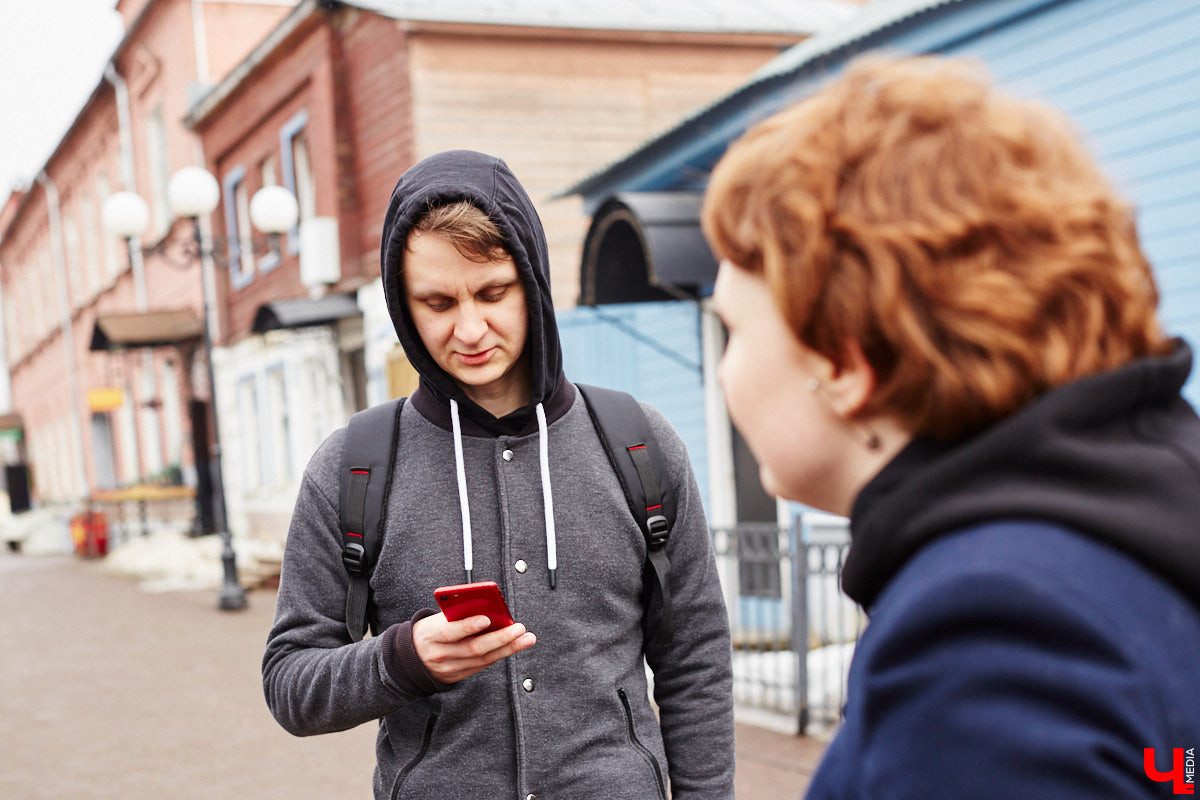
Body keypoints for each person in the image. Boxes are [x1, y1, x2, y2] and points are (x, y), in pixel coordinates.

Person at [701, 55, 1200, 798]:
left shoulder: (991, 632)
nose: (724, 369)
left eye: (734, 330)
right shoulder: (1135, 512)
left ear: (844, 360)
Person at [263, 150, 735, 800]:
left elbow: (696, 663)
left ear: (532, 281)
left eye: (492, 292)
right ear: (403, 304)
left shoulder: (639, 444)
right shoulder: (354, 465)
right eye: (436, 302)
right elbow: (291, 682)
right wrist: (402, 660)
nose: (469, 328)